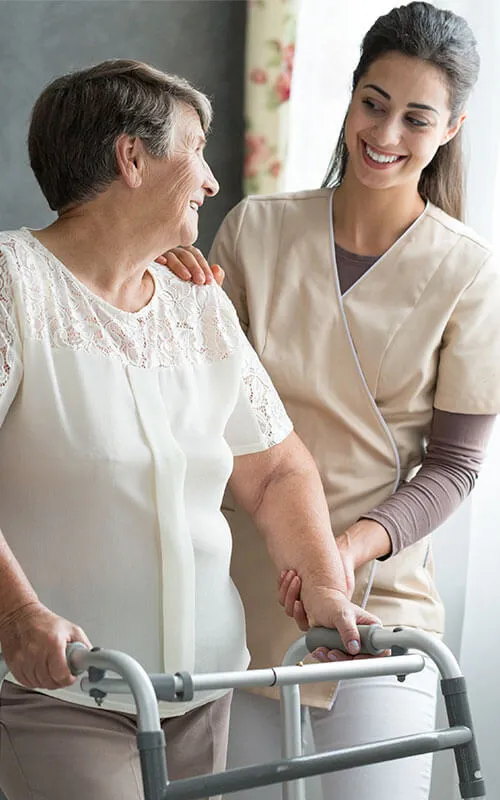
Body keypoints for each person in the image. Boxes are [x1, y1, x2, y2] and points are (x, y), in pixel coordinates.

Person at [0, 59, 379, 800]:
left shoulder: (194, 300)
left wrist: (327, 587)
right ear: (131, 158)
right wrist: (16, 614)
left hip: (205, 693)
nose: (210, 180)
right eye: (196, 149)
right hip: (65, 695)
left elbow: (276, 471)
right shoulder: (13, 284)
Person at [160, 3, 500, 798]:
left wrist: (342, 551)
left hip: (381, 608)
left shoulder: (470, 272)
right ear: (350, 98)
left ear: (450, 129)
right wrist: (170, 301)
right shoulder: (255, 231)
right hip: (244, 600)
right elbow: (194, 406)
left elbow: (453, 467)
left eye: (416, 118)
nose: (385, 134)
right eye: (373, 103)